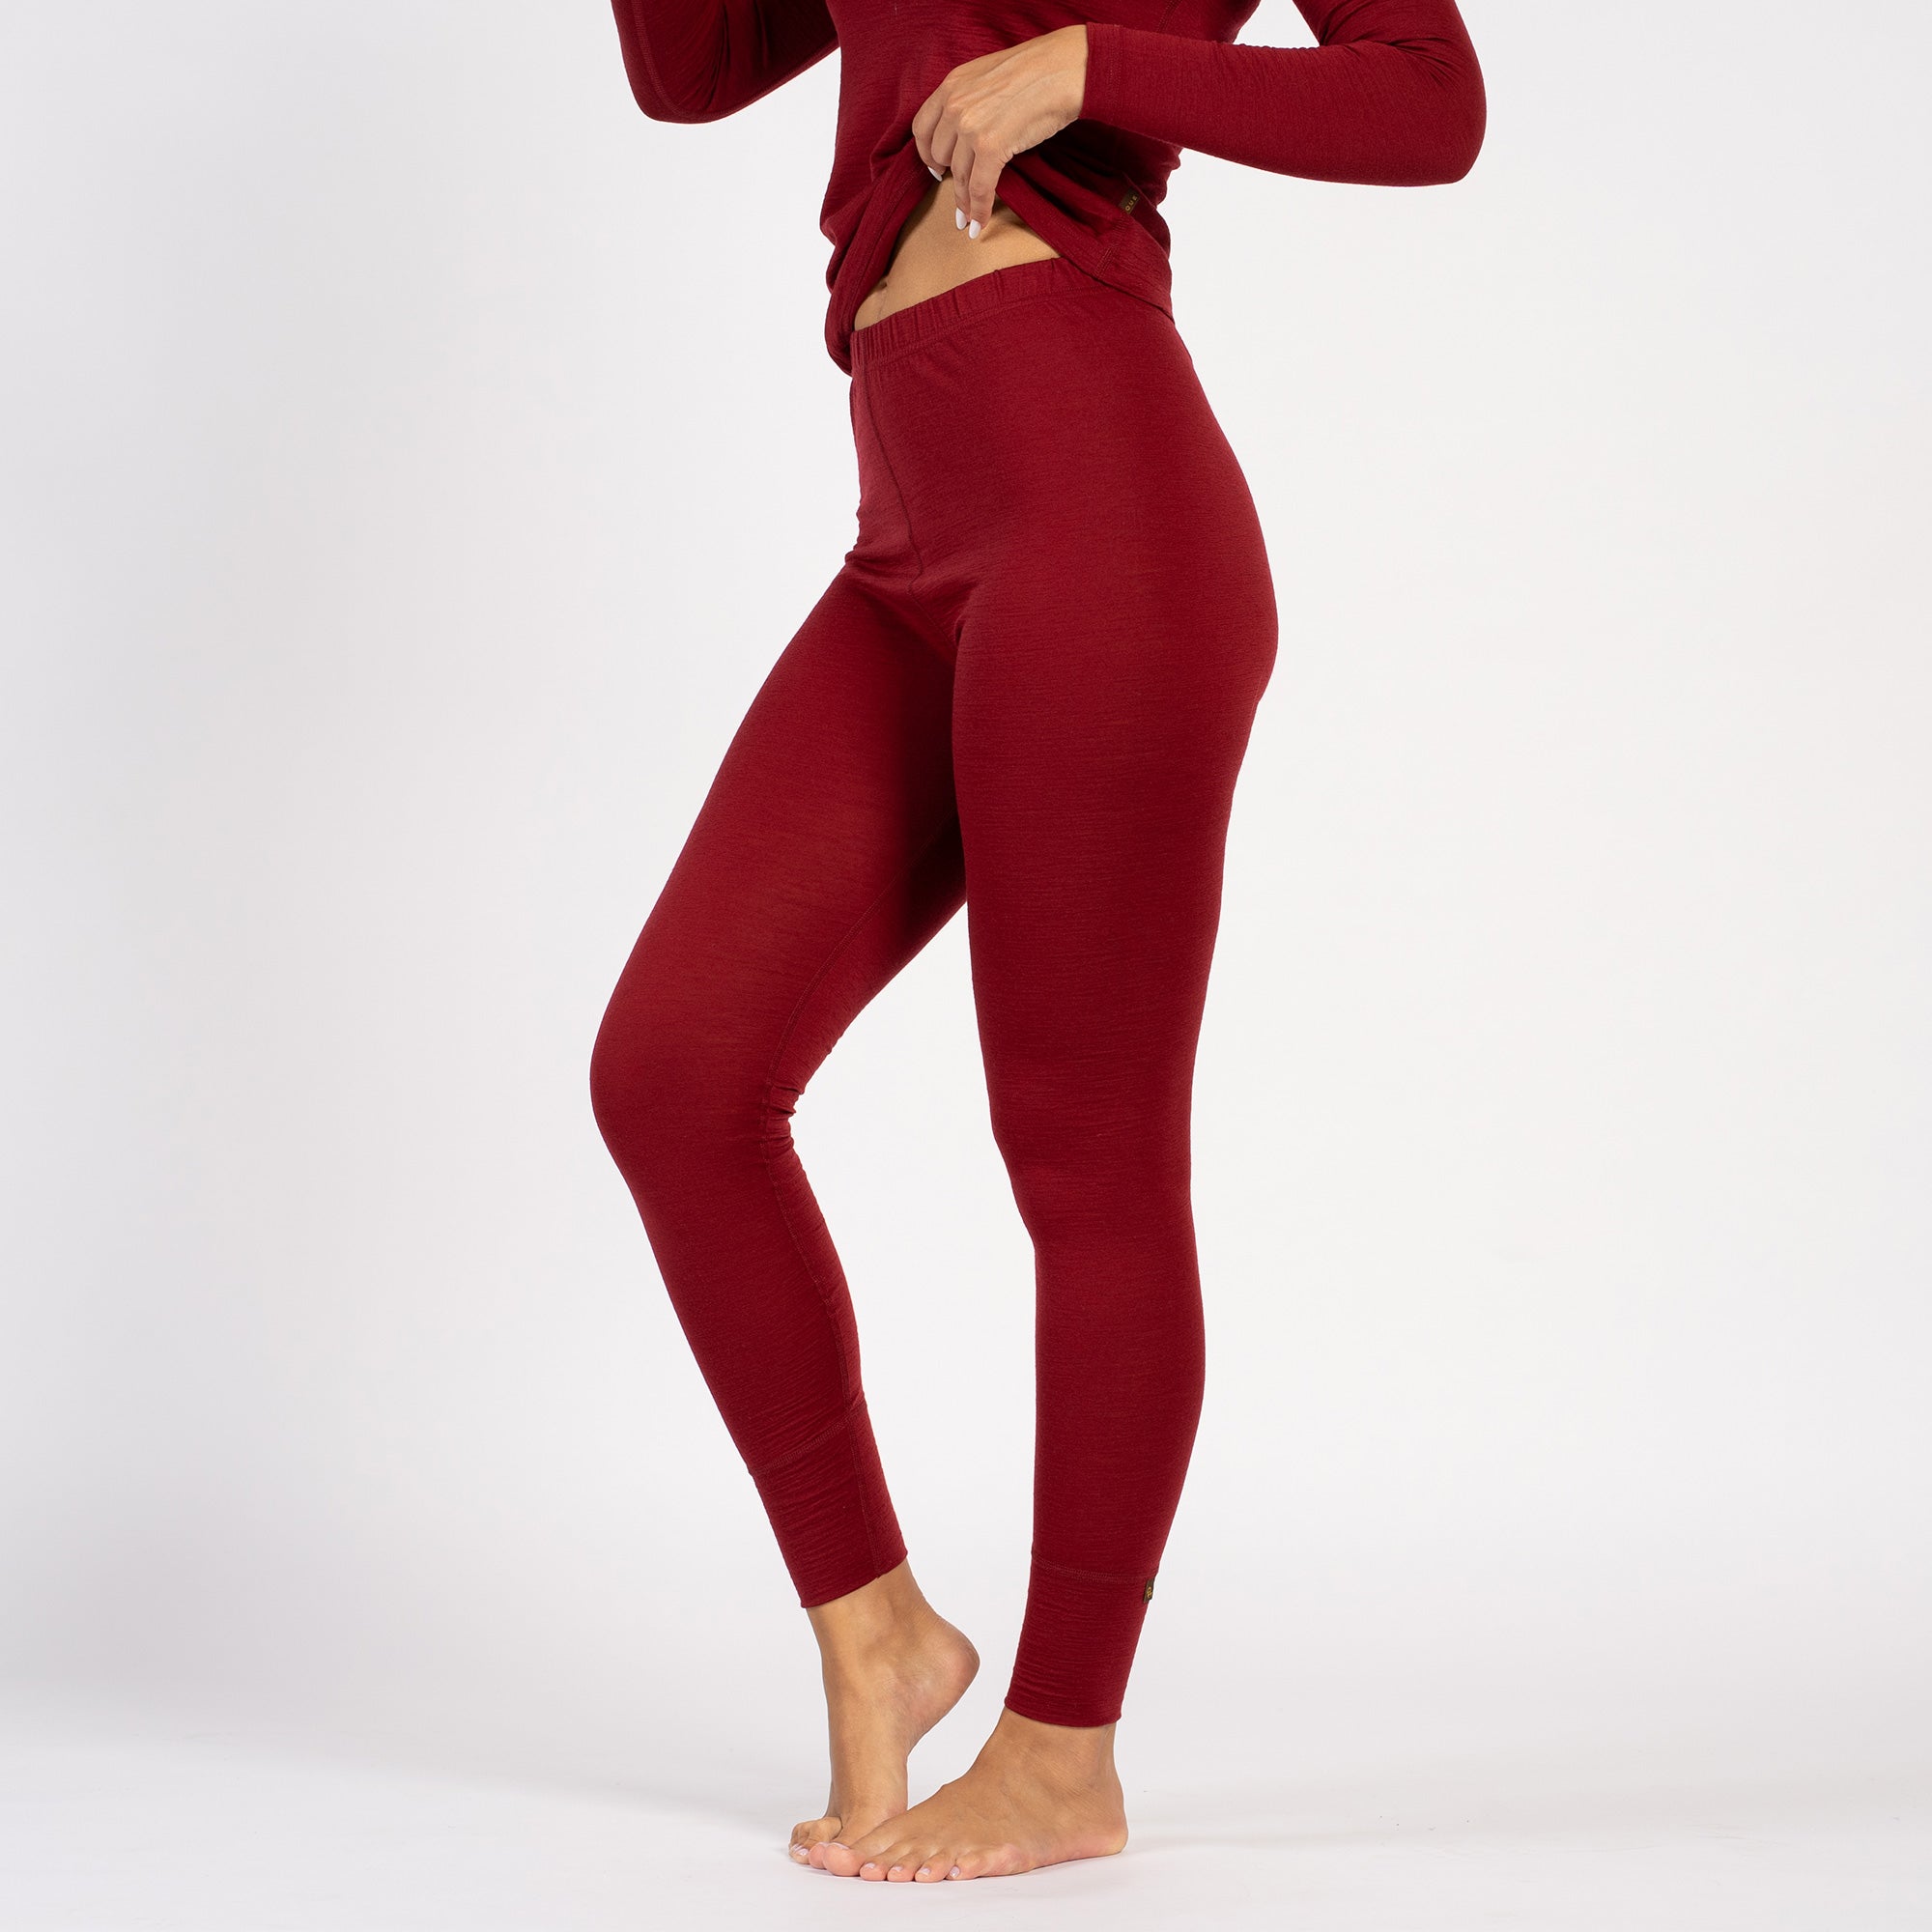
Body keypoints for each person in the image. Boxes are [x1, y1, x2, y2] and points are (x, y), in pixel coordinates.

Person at [588, 0, 1486, 1884]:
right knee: (674, 1075)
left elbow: (1431, 101)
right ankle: (877, 1630)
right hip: (910, 528)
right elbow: (691, 66)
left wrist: (1091, 67)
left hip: (1101, 507)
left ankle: (1065, 1750)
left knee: (1083, 1159)